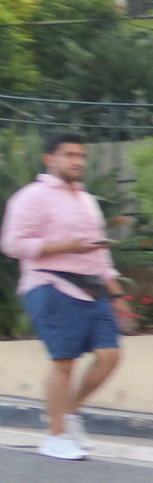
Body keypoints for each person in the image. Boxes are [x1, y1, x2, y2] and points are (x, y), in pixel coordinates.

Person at [4, 132, 128, 461]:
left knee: (110, 355)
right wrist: (66, 248)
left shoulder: (86, 200)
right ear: (50, 158)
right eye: (69, 155)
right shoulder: (31, 197)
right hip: (50, 284)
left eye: (81, 156)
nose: (77, 161)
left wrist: (117, 296)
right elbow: (13, 244)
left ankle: (67, 412)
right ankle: (56, 436)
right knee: (64, 363)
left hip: (91, 286)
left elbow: (99, 253)